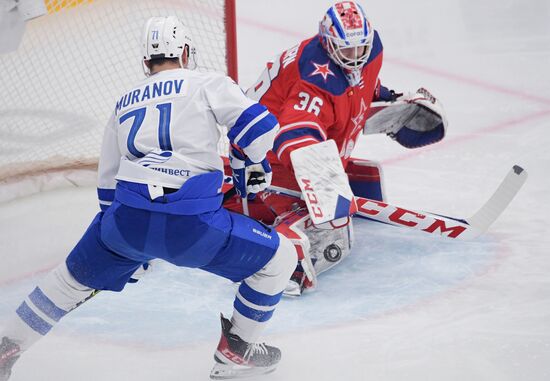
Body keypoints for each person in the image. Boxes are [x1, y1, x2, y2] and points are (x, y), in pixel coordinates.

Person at [0, 16, 296, 380]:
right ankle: (238, 350)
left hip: (126, 223)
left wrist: (126, 250)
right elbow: (261, 127)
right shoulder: (206, 82)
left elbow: (107, 188)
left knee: (66, 283)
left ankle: (6, 348)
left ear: (146, 61)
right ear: (185, 52)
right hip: (194, 227)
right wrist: (248, 161)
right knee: (282, 258)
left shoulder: (123, 102)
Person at [224, 1, 448, 296]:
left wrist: (384, 96)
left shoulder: (369, 50)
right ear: (328, 43)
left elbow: (361, 82)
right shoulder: (314, 80)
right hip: (266, 160)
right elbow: (294, 133)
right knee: (328, 230)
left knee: (337, 207)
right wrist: (323, 182)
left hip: (281, 136)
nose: (355, 58)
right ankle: (281, 260)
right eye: (346, 50)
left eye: (360, 49)